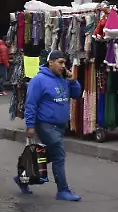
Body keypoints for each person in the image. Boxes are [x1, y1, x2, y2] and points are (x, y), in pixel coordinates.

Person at [18, 51, 84, 201]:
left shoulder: (63, 79)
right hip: (45, 124)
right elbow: (31, 104)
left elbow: (76, 94)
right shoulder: (39, 80)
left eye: (64, 63)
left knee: (49, 155)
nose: (63, 66)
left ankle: (22, 177)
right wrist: (30, 125)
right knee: (59, 155)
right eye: (60, 62)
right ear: (51, 63)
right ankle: (63, 190)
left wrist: (73, 81)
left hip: (60, 126)